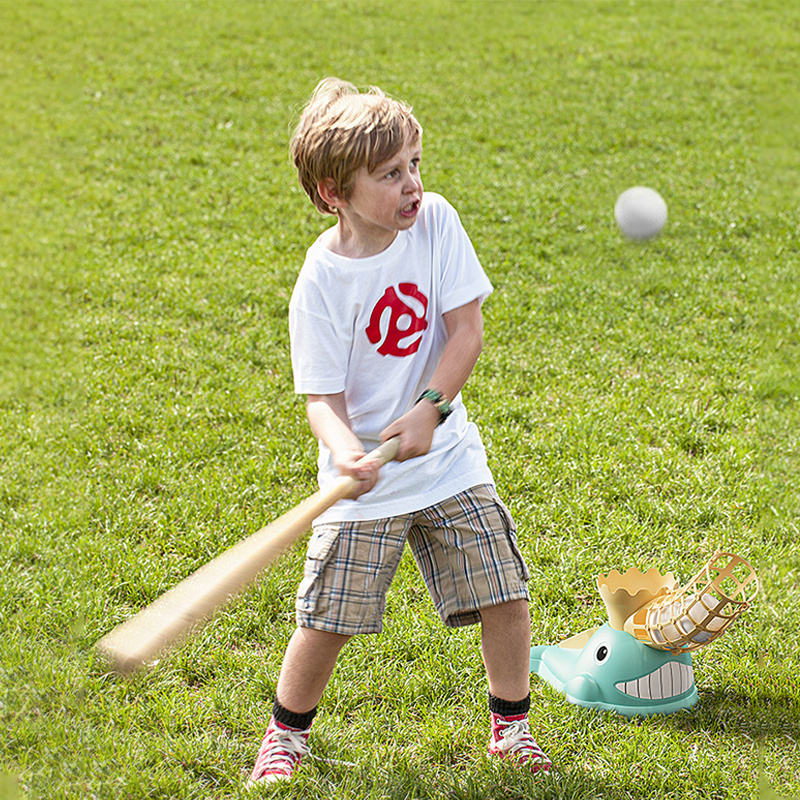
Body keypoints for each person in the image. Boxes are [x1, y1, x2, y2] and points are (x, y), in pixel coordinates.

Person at [248, 77, 551, 787]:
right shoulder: (320, 283)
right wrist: (347, 451)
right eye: (391, 175)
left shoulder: (437, 221)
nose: (413, 185)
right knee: (328, 618)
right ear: (334, 194)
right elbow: (320, 398)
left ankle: (512, 728)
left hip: (447, 459)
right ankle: (285, 736)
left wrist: (431, 407)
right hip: (364, 483)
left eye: (415, 163)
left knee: (503, 589)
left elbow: (465, 331)